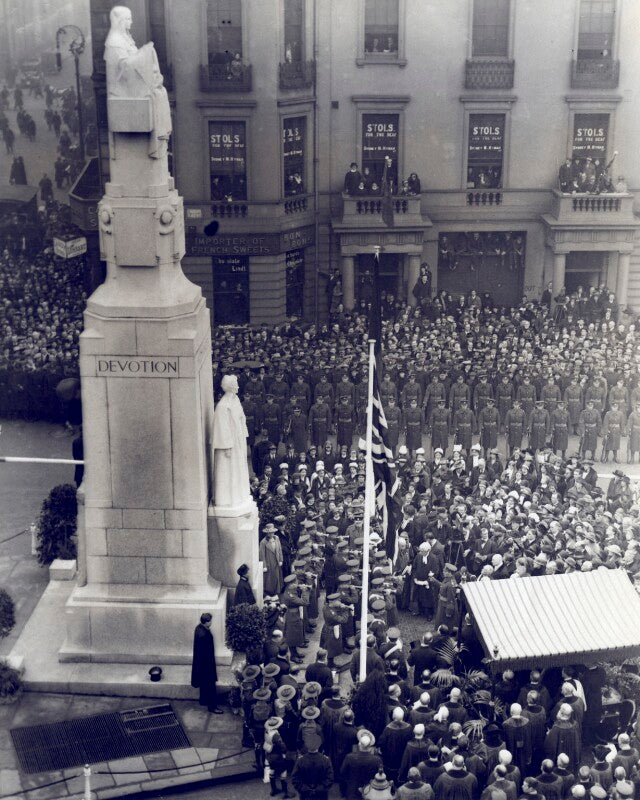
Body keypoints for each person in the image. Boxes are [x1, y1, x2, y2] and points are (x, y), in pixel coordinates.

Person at [212, 374, 252, 508]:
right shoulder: (223, 405)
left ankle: (240, 495)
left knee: (239, 469)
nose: (238, 387)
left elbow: (241, 418)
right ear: (230, 387)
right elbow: (221, 427)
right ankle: (227, 499)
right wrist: (227, 446)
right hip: (229, 444)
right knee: (229, 471)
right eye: (236, 384)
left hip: (238, 440)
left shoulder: (236, 400)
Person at [190, 612, 223, 714]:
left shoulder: (199, 628)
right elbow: (206, 652)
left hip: (201, 664)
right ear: (207, 622)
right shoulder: (204, 635)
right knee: (210, 685)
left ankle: (203, 700)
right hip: (206, 664)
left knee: (204, 684)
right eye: (210, 621)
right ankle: (212, 707)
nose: (211, 622)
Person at [291, 732, 334, 800]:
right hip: (321, 795)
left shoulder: (300, 760)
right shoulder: (326, 760)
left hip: (305, 795)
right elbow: (330, 779)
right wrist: (318, 789)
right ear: (319, 745)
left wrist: (305, 789)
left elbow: (295, 779)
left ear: (307, 745)